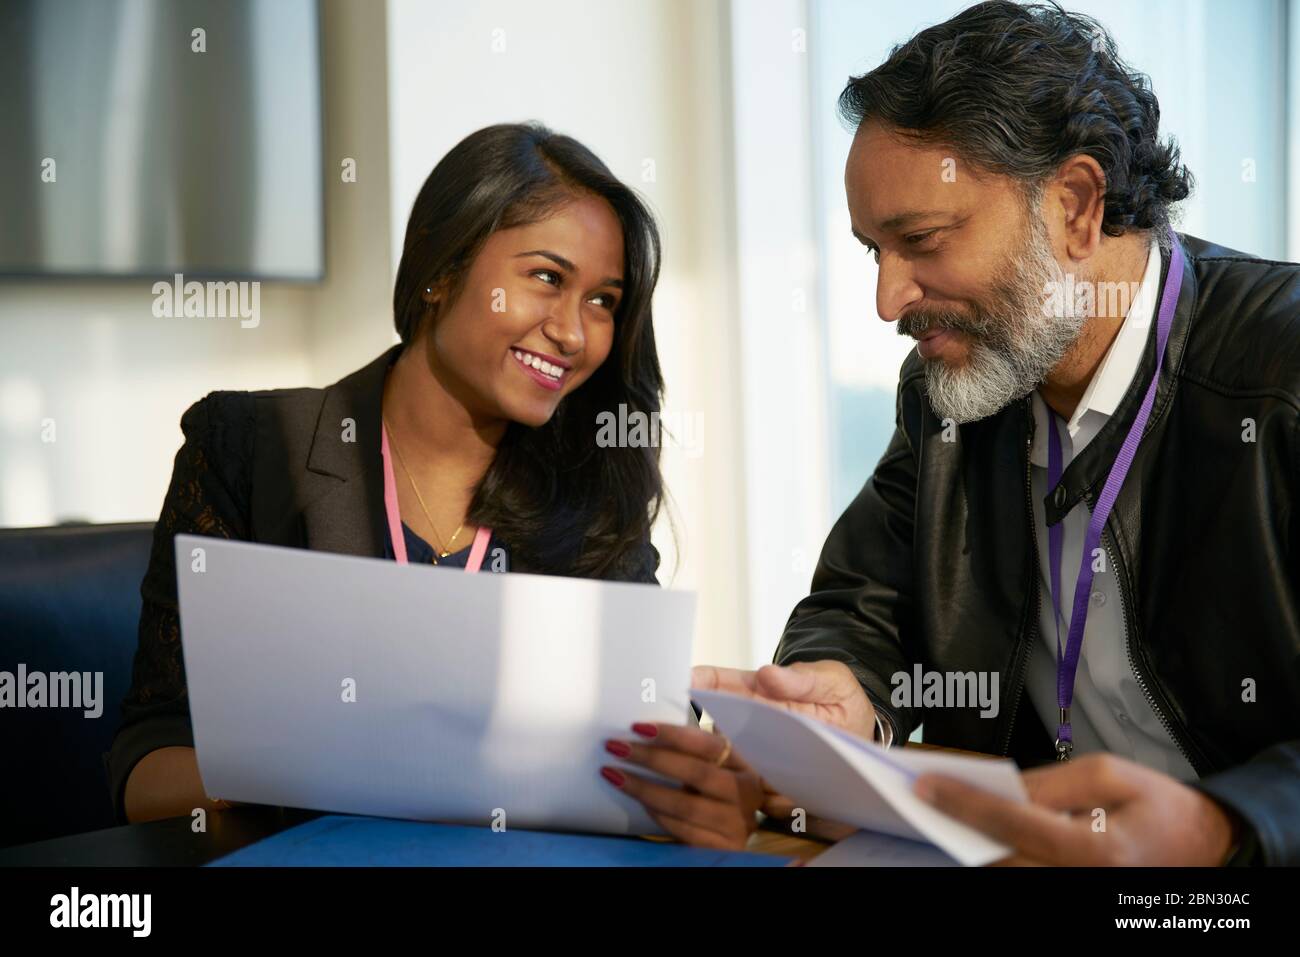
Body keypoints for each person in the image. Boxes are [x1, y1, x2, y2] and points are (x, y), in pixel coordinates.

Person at [698, 1, 1299, 865]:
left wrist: (1227, 829)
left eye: (923, 240)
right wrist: (844, 690)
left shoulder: (1281, 380)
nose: (887, 299)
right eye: (875, 250)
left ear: (1078, 206)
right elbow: (865, 602)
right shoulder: (957, 388)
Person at [107, 122, 763, 848]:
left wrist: (706, 795)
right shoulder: (246, 449)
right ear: (441, 270)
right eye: (547, 278)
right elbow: (147, 766)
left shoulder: (592, 493)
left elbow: (649, 751)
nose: (575, 333)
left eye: (603, 300)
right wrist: (313, 771)